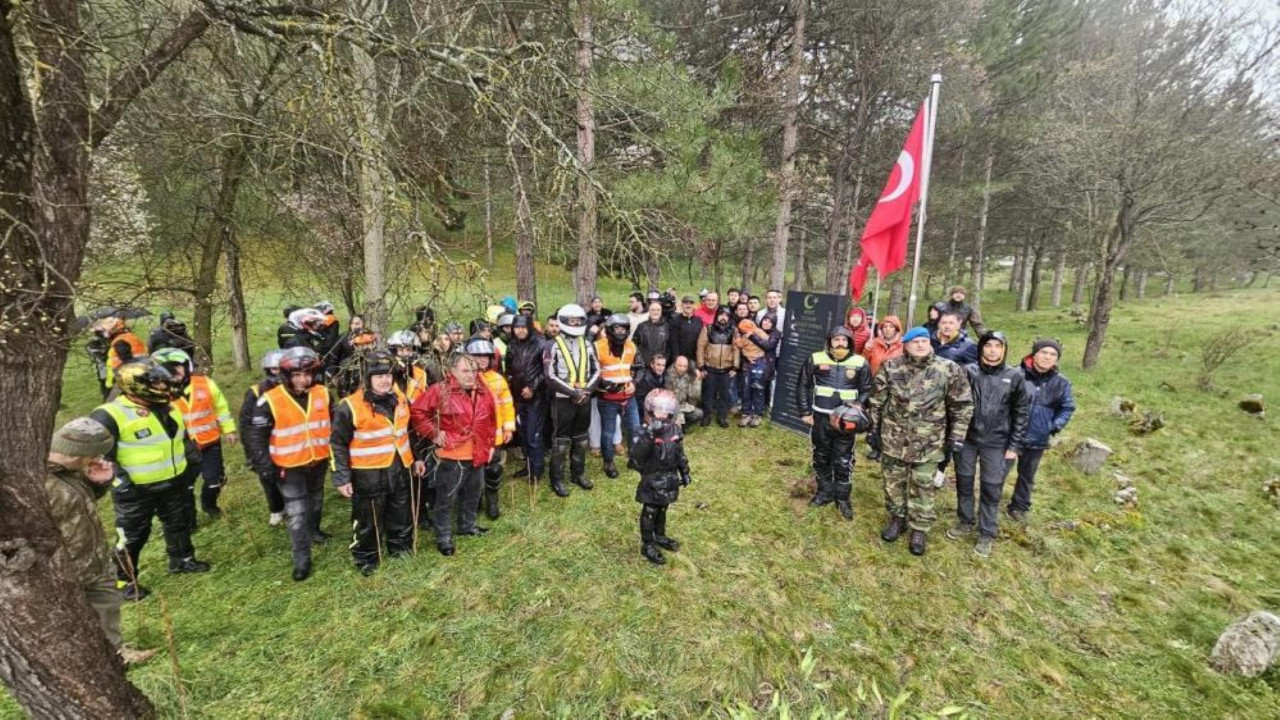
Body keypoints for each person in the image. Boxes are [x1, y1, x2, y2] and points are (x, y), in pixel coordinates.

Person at [89, 359, 210, 600]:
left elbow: (180, 439)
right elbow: (101, 457)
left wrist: (192, 464)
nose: (163, 386)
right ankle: (123, 581)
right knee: (133, 536)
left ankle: (182, 560)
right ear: (136, 384)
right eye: (156, 381)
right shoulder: (109, 414)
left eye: (163, 380)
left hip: (173, 481)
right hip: (136, 489)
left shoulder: (168, 406)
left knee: (178, 523)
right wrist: (121, 483)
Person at [44, 418, 158, 665]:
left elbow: (77, 505)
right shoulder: (38, 482)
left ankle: (115, 654)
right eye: (95, 453)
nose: (98, 457)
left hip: (93, 559)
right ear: (80, 452)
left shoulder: (71, 472)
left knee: (107, 605)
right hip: (62, 570)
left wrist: (99, 484)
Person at [868, 326, 973, 556]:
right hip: (893, 439)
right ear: (905, 344)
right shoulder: (892, 366)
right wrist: (872, 430)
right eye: (914, 341)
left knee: (923, 485)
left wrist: (957, 436)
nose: (919, 345)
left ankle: (919, 528)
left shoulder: (948, 369)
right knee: (893, 482)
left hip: (929, 442)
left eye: (924, 340)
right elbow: (877, 400)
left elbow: (962, 405)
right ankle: (898, 518)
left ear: (930, 343)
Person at [246, 346, 333, 582]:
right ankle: (302, 559)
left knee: (315, 501)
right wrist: (264, 465)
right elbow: (256, 436)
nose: (303, 379)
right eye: (296, 375)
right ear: (286, 375)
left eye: (307, 374)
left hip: (317, 460)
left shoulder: (323, 394)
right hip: (288, 465)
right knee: (296, 512)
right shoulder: (269, 401)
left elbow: (332, 422)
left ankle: (314, 531)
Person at [330, 351, 418, 575]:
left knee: (401, 511)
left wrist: (415, 459)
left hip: (399, 467)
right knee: (368, 518)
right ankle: (367, 557)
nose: (385, 380)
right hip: (367, 473)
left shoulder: (400, 399)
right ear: (367, 379)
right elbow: (337, 443)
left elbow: (408, 432)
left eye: (388, 375)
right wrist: (341, 477)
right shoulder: (349, 406)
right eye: (378, 376)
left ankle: (400, 548)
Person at [947, 331, 1030, 558]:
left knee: (991, 487)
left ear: (1004, 349)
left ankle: (987, 532)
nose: (993, 350)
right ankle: (965, 520)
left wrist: (1014, 445)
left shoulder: (1015, 376)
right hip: (967, 439)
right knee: (964, 481)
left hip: (997, 442)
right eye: (988, 345)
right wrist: (954, 435)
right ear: (981, 347)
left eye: (998, 346)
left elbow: (1021, 413)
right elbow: (954, 404)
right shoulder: (968, 371)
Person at [410, 353, 497, 556]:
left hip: (477, 452)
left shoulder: (483, 391)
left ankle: (467, 526)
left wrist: (491, 443)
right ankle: (443, 537)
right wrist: (434, 432)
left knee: (473, 494)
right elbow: (418, 412)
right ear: (453, 371)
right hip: (452, 455)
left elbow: (490, 419)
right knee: (446, 498)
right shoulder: (440, 390)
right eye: (466, 371)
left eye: (474, 371)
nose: (470, 375)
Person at [796, 327, 872, 520]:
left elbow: (867, 389)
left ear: (849, 342)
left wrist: (858, 406)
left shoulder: (860, 362)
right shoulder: (815, 358)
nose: (840, 343)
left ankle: (843, 498)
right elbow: (803, 385)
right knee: (821, 455)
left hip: (846, 421)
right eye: (836, 339)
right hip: (821, 417)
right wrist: (805, 412)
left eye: (843, 340)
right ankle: (824, 493)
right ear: (829, 341)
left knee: (843, 460)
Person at [153, 348, 237, 520]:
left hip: (209, 442)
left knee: (215, 480)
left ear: (186, 366)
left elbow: (221, 407)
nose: (173, 371)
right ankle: (189, 520)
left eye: (176, 366)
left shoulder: (205, 383)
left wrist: (228, 429)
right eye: (166, 368)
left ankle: (209, 505)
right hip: (180, 448)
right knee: (185, 487)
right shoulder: (158, 393)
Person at [1012, 339, 1075, 522]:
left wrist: (1053, 426)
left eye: (1053, 354)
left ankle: (1019, 507)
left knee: (1027, 475)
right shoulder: (1016, 374)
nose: (1048, 357)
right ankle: (989, 504)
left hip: (1037, 437)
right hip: (1010, 434)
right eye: (1044, 352)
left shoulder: (1062, 383)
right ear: (1034, 354)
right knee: (997, 472)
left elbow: (1067, 407)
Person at [543, 303, 601, 496]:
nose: (576, 323)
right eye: (572, 320)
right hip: (562, 400)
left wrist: (586, 391)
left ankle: (578, 473)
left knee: (582, 439)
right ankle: (557, 479)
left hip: (584, 398)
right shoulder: (552, 345)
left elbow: (597, 370)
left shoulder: (587, 343)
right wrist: (573, 393)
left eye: (579, 320)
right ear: (564, 321)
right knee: (560, 442)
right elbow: (550, 376)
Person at [630, 390, 692, 566]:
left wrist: (685, 472)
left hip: (670, 478)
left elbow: (680, 454)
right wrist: (649, 436)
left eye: (666, 411)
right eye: (658, 410)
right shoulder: (642, 431)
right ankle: (647, 544)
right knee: (649, 511)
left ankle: (660, 535)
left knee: (663, 508)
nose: (662, 414)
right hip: (652, 479)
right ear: (650, 411)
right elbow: (635, 458)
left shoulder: (675, 430)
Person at [467, 337, 515, 519]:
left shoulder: (497, 379)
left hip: (495, 436)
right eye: (477, 357)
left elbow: (507, 405)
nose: (482, 360)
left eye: (485, 357)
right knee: (474, 470)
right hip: (472, 437)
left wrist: (508, 428)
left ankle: (492, 500)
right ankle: (475, 499)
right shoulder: (463, 379)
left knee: (493, 469)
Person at [240, 349, 286, 526]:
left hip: (286, 442)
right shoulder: (255, 392)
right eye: (275, 370)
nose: (279, 374)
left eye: (282, 369)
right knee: (268, 476)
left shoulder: (295, 390)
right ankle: (276, 509)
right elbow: (245, 425)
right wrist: (251, 453)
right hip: (263, 442)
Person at [595, 314, 642, 479]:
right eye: (617, 328)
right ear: (609, 329)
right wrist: (605, 385)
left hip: (629, 398)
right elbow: (590, 373)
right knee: (608, 432)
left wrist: (635, 383)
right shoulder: (597, 347)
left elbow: (640, 367)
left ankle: (633, 458)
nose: (621, 332)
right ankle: (608, 462)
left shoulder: (632, 346)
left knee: (634, 429)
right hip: (607, 399)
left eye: (624, 328)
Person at [505, 315, 549, 484]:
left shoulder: (540, 344)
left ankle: (537, 470)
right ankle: (529, 466)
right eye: (517, 327)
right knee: (523, 433)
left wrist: (533, 387)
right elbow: (509, 368)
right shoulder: (512, 345)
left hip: (536, 397)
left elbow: (546, 371)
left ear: (530, 327)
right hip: (517, 397)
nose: (520, 330)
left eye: (524, 327)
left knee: (533, 434)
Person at [696, 306, 739, 428]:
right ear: (717, 316)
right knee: (708, 393)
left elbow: (736, 349)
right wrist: (701, 366)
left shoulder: (733, 331)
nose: (723, 317)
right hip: (710, 367)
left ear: (729, 318)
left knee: (724, 395)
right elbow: (700, 347)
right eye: (721, 315)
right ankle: (707, 415)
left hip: (726, 369)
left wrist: (735, 367)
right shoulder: (708, 329)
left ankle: (722, 416)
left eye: (726, 315)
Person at [737, 316, 780, 427]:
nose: (766, 322)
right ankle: (746, 413)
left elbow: (768, 345)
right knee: (746, 388)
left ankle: (757, 414)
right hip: (747, 364)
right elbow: (740, 345)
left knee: (758, 389)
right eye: (765, 320)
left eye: (769, 321)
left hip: (761, 364)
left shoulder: (766, 333)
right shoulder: (744, 334)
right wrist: (745, 353)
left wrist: (752, 335)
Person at [95, 315, 147, 396]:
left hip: (129, 375)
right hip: (140, 370)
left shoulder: (120, 342)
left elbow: (127, 361)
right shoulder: (128, 337)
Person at [387, 330, 430, 400]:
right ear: (394, 351)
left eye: (408, 350)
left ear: (414, 352)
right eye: (401, 350)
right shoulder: (386, 373)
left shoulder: (421, 374)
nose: (405, 354)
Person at [665, 355, 704, 427]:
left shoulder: (689, 374)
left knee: (699, 414)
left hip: (684, 406)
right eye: (679, 365)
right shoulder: (667, 376)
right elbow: (669, 402)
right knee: (676, 430)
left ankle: (684, 424)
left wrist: (697, 380)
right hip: (671, 409)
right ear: (674, 364)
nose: (682, 368)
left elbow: (694, 396)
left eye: (685, 366)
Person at [631, 300, 672, 369]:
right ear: (649, 312)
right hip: (644, 366)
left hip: (661, 367)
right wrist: (639, 360)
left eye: (658, 310)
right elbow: (633, 344)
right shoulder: (641, 326)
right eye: (653, 310)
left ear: (661, 311)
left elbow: (670, 347)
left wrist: (664, 361)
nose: (655, 312)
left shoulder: (667, 326)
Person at [670, 295, 704, 369]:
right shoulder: (675, 321)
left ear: (694, 306)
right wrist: (676, 359)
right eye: (686, 303)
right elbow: (674, 342)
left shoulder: (699, 320)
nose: (688, 305)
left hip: (695, 360)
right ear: (682, 305)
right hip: (681, 360)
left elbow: (701, 340)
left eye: (691, 303)